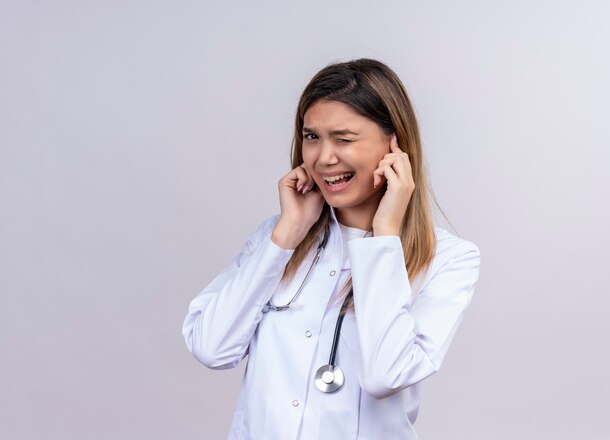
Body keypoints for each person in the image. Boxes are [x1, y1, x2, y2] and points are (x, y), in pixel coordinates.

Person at [182, 58, 481, 439]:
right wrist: (288, 232)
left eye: (344, 138)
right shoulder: (275, 239)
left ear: (396, 145)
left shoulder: (448, 260)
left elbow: (385, 375)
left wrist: (385, 235)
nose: (324, 158)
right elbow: (211, 348)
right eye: (311, 137)